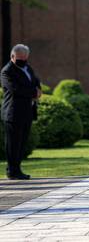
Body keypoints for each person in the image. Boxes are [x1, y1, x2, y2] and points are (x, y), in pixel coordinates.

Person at [1, 44, 41, 180]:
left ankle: (17, 169)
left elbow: (35, 80)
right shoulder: (7, 72)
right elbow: (15, 89)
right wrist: (34, 93)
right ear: (12, 57)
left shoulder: (27, 68)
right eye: (20, 59)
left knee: (22, 143)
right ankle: (12, 171)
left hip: (27, 112)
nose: (23, 61)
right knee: (13, 144)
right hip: (13, 113)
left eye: (25, 58)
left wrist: (38, 88)